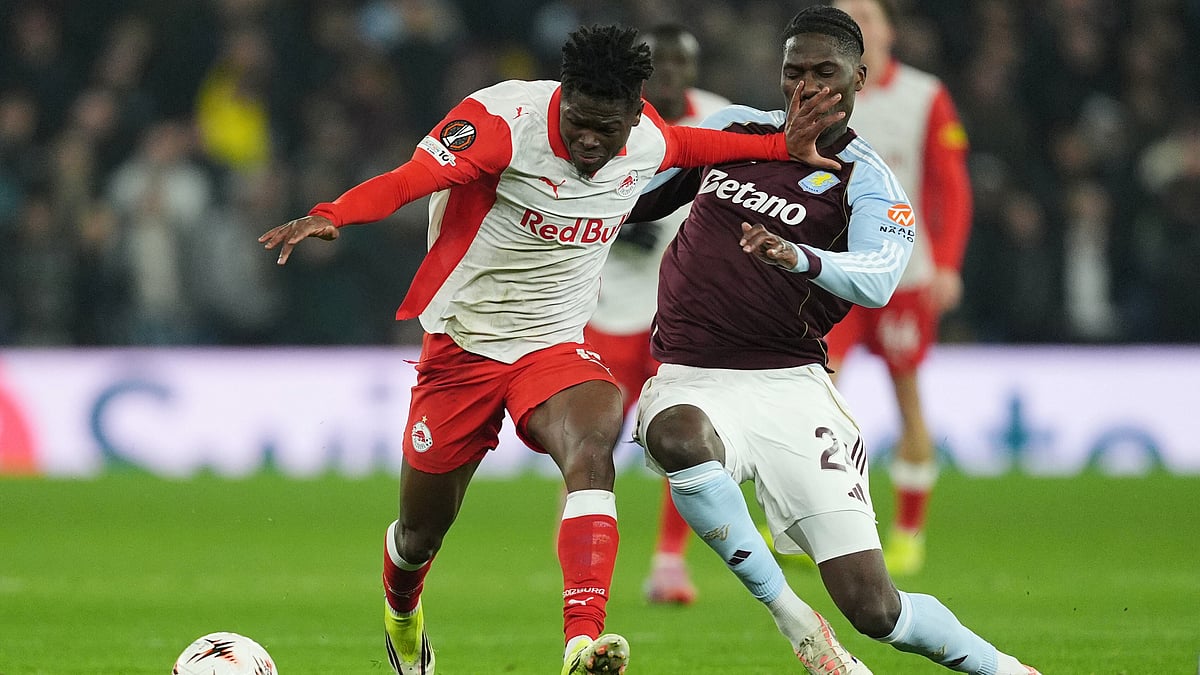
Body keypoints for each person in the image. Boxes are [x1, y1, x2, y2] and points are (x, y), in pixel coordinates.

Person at [259, 24, 842, 675]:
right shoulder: (500, 121)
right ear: (561, 96)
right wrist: (333, 213)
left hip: (554, 345)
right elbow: (410, 178)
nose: (593, 140)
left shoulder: (647, 139)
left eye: (608, 127)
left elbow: (704, 144)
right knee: (418, 535)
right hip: (462, 349)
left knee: (594, 443)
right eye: (580, 121)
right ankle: (402, 617)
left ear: (634, 111)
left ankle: (581, 642)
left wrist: (782, 145)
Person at [629, 6, 1040, 674]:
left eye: (826, 71)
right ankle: (799, 623)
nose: (808, 87)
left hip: (793, 390)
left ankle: (1006, 669)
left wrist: (801, 258)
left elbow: (880, 276)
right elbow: (642, 188)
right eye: (795, 72)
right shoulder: (730, 129)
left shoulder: (867, 179)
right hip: (692, 375)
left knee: (877, 609)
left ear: (859, 77)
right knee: (677, 435)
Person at [822, 0, 974, 576]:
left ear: (888, 29)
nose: (858, 21)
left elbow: (951, 185)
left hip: (903, 273)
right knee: (819, 391)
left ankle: (909, 531)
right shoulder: (820, 94)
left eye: (867, 11)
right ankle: (812, 516)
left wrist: (949, 264)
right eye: (846, 13)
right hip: (836, 269)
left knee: (907, 396)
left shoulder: (924, 94)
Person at [581, 23, 731, 607]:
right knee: (594, 440)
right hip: (610, 309)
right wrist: (619, 228)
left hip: (688, 312)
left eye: (680, 62)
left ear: (693, 70)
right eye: (658, 63)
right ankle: (590, 562)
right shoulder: (610, 122)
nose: (669, 73)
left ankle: (669, 563)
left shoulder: (720, 119)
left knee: (686, 433)